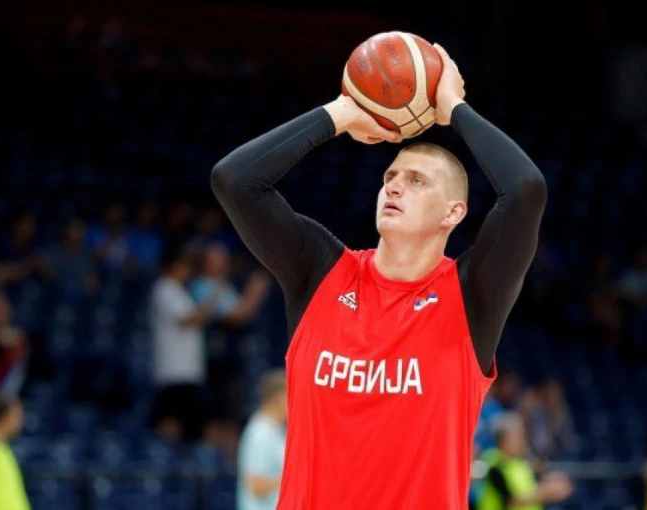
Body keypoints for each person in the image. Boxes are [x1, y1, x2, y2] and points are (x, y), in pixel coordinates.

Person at [211, 43, 548, 509]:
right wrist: (344, 112)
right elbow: (235, 180)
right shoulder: (321, 271)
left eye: (416, 180)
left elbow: (526, 190)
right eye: (390, 176)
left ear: (453, 213)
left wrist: (453, 106)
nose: (394, 186)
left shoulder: (472, 295)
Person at [149, 244, 216, 442]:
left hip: (188, 370)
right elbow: (188, 319)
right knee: (171, 422)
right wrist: (215, 298)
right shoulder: (164, 288)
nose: (187, 270)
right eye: (183, 265)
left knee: (188, 424)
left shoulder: (180, 290)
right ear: (172, 266)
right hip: (173, 370)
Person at [477, 413, 573, 510]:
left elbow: (531, 489)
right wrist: (545, 492)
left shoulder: (520, 463)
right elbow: (510, 500)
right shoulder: (494, 464)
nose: (523, 441)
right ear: (503, 440)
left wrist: (552, 485)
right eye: (518, 437)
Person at [236, 369, 287, 510]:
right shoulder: (259, 432)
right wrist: (292, 481)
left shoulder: (277, 431)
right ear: (278, 397)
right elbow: (255, 485)